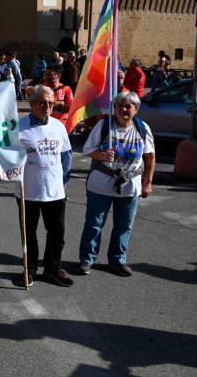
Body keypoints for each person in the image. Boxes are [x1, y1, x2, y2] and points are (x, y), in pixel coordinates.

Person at [76, 91, 156, 277]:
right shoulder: (103, 126)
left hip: (130, 186)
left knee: (123, 226)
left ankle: (117, 260)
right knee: (94, 224)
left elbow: (150, 156)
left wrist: (148, 183)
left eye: (128, 106)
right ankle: (87, 259)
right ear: (115, 108)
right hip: (100, 184)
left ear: (136, 110)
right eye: (120, 105)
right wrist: (102, 155)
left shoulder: (142, 128)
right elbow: (88, 150)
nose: (123, 109)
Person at [16, 85, 73, 287]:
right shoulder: (18, 127)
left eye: (51, 103)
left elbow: (66, 156)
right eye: (43, 103)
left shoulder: (58, 126)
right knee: (29, 234)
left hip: (55, 191)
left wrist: (62, 181)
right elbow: (6, 156)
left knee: (57, 234)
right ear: (32, 104)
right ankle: (29, 269)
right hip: (27, 192)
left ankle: (52, 269)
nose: (48, 106)